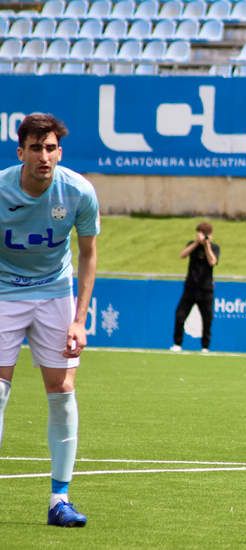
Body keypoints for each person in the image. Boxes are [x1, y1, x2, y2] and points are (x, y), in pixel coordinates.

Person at [0, 113, 100, 527]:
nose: (45, 156)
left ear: (60, 151)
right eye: (36, 148)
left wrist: (79, 321)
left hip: (55, 292)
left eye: (51, 148)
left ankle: (60, 498)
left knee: (62, 391)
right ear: (20, 151)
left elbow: (89, 255)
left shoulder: (78, 192)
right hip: (4, 290)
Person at [170, 221, 219, 353]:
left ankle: (205, 347)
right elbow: (182, 255)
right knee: (180, 315)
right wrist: (197, 243)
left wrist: (207, 246)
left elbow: (213, 262)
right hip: (190, 288)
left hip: (206, 290)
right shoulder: (192, 245)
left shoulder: (214, 247)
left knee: (207, 319)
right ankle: (177, 344)